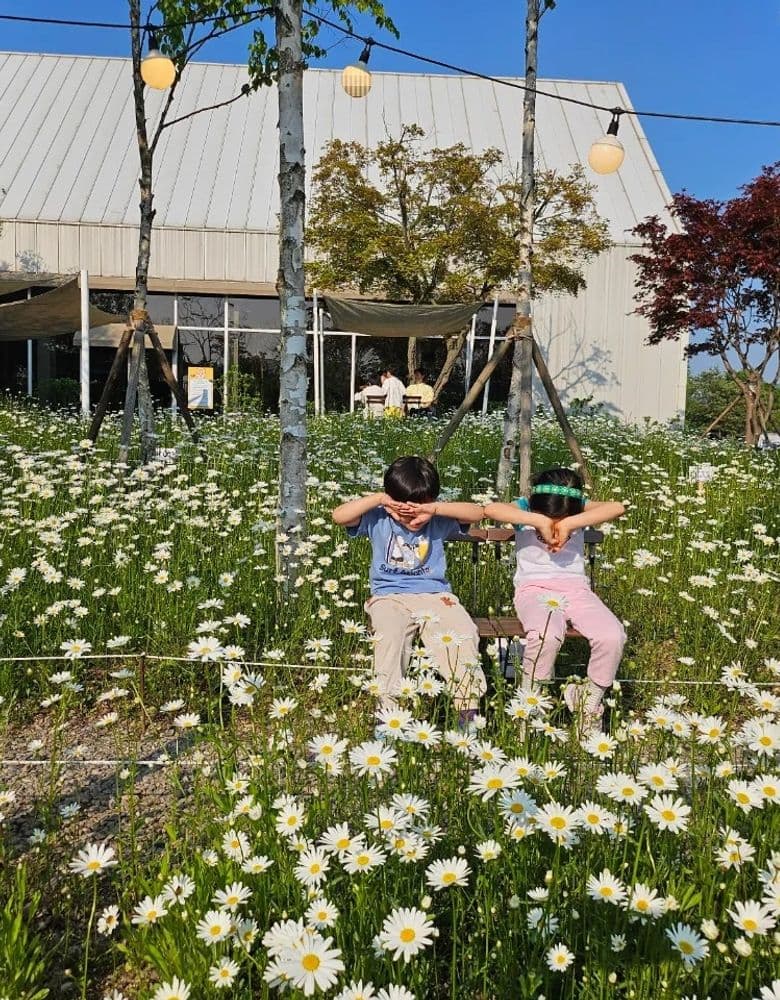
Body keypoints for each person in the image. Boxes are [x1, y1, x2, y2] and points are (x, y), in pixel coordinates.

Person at [332, 455, 487, 726]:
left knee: (463, 634)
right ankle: (388, 716)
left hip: (436, 595)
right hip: (388, 596)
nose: (411, 515)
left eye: (419, 507)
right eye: (403, 508)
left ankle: (467, 713)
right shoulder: (377, 517)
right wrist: (380, 500)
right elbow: (338, 516)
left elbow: (478, 513)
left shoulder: (438, 519)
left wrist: (435, 510)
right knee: (389, 638)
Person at [484, 467, 626, 732]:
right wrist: (539, 522)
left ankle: (589, 702)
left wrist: (570, 523)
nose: (555, 520)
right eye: (550, 515)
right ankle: (529, 701)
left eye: (562, 517)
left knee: (612, 635)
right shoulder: (525, 507)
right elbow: (491, 510)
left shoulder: (579, 509)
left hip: (576, 590)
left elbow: (617, 507)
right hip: (534, 589)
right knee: (547, 634)